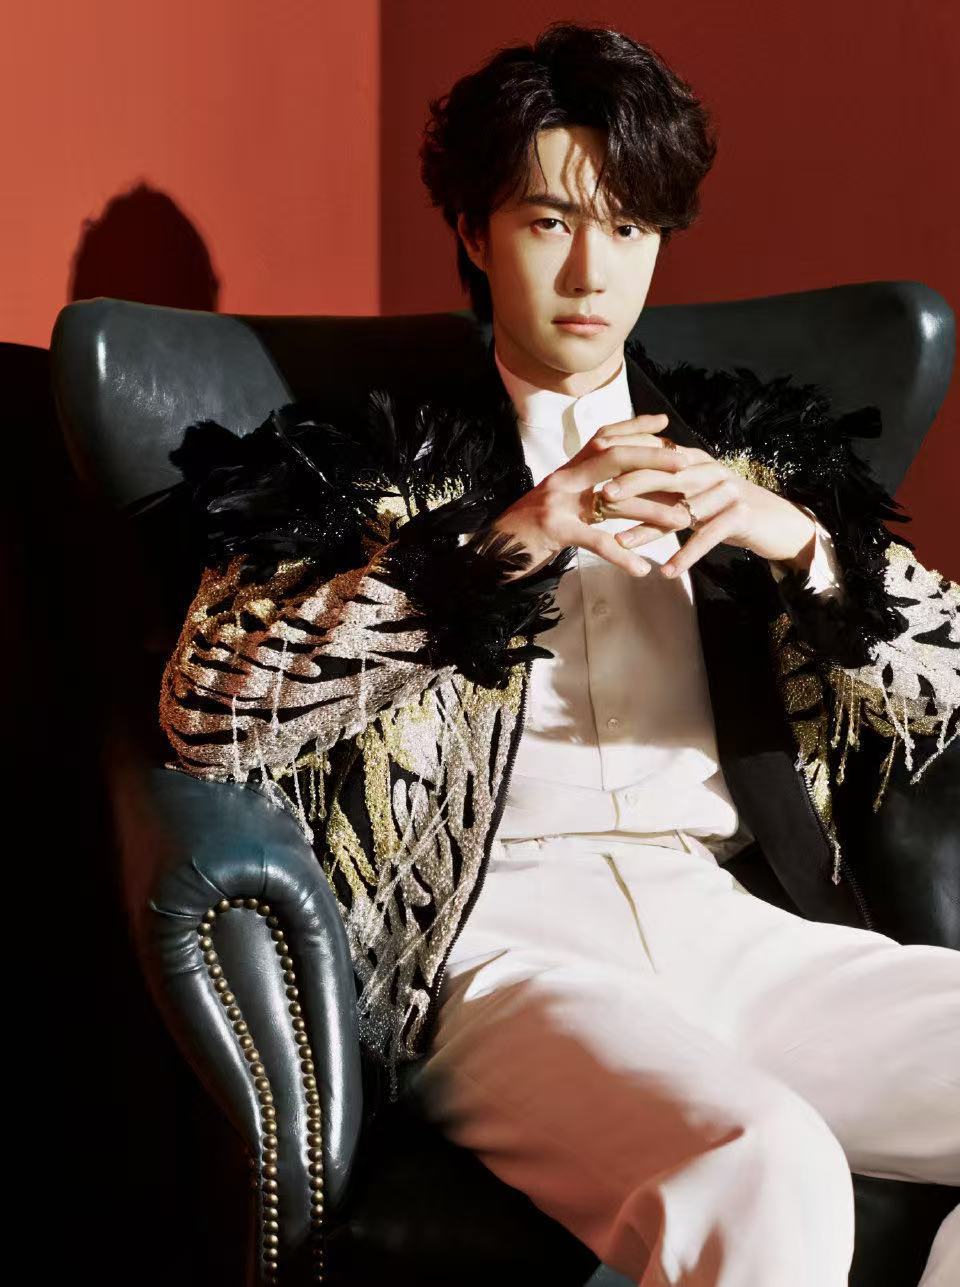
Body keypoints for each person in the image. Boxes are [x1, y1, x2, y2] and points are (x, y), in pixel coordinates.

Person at [157, 21, 959, 1286]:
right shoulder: (358, 468)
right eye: (548, 223)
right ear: (474, 233)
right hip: (498, 952)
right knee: (762, 1162)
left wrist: (802, 547)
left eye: (628, 227)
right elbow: (213, 712)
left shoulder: (748, 454)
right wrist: (510, 540)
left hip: (731, 916)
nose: (591, 272)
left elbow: (944, 687)